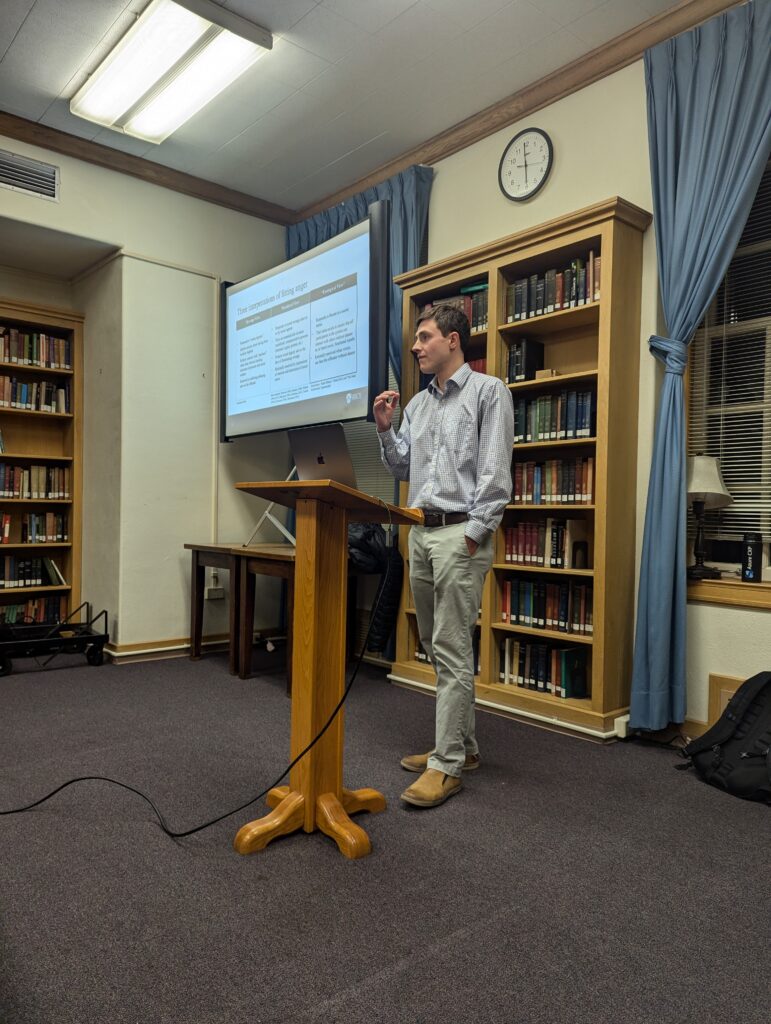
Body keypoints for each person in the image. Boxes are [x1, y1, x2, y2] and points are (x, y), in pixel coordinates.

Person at [374, 303, 514, 808]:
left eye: (425, 337)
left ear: (453, 341)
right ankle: (464, 746)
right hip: (420, 533)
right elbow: (401, 465)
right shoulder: (417, 404)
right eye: (416, 338)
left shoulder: (488, 392)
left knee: (452, 647)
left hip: (459, 536)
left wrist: (472, 536)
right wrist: (386, 427)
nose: (416, 347)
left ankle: (447, 764)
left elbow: (496, 476)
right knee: (438, 646)